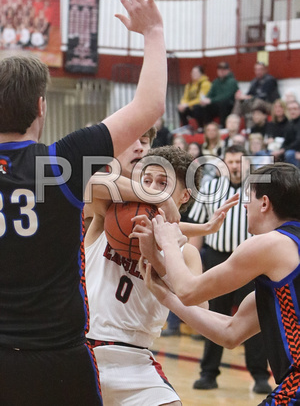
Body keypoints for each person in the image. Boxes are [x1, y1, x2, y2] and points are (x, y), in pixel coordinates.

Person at [0, 0, 169, 406]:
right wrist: (152, 32)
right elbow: (148, 108)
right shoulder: (59, 163)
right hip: (60, 358)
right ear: (42, 107)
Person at [143, 162, 300, 406]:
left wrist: (169, 242)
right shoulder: (283, 269)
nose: (246, 205)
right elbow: (231, 332)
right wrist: (165, 297)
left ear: (265, 204)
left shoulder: (271, 244)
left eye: (250, 198)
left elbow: (188, 291)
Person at [84, 144, 205, 406]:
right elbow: (92, 182)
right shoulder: (108, 216)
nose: (151, 187)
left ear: (184, 196)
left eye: (162, 183)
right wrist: (159, 197)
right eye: (145, 180)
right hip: (80, 351)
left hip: (135, 359)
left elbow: (201, 311)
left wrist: (159, 262)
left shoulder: (185, 252)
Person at [186, 145, 272, 394]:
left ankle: (259, 376)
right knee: (213, 316)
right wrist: (197, 265)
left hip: (249, 260)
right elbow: (200, 226)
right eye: (230, 161)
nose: (234, 166)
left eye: (238, 162)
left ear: (246, 164)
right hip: (216, 258)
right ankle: (208, 372)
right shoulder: (211, 188)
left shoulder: (258, 190)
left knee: (253, 319)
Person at [234, 62, 280, 129]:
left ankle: (251, 127)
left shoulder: (270, 80)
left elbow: (263, 96)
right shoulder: (254, 81)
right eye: (256, 70)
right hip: (255, 103)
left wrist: (249, 97)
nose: (258, 72)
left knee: (257, 102)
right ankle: (233, 120)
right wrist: (241, 96)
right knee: (239, 101)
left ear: (265, 70)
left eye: (260, 69)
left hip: (270, 104)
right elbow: (249, 94)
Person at [200, 61, 239, 128]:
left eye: (224, 69)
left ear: (228, 70)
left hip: (229, 106)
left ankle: (223, 126)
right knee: (202, 107)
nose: (221, 71)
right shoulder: (216, 81)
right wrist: (205, 99)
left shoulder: (232, 81)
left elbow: (226, 96)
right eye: (219, 69)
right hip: (217, 105)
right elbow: (210, 93)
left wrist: (211, 100)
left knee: (223, 103)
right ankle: (206, 127)